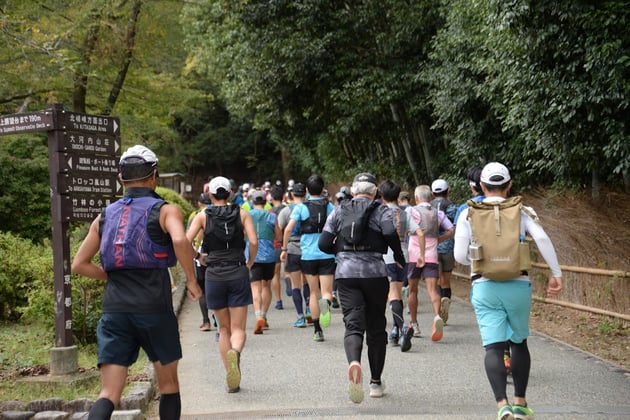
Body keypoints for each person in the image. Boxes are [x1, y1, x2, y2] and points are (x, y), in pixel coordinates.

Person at [71, 145, 203, 420]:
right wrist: (192, 280)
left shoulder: (105, 216)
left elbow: (79, 264)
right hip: (154, 307)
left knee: (108, 393)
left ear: (121, 178)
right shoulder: (166, 210)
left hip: (115, 310)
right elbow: (180, 240)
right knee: (168, 386)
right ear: (154, 175)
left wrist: (112, 275)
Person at [454, 162, 563, 420]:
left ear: (481, 186)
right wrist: (556, 273)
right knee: (518, 342)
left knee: (493, 348)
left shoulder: (468, 213)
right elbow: (543, 239)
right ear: (509, 184)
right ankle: (520, 403)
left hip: (484, 285)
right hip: (518, 283)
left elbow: (459, 255)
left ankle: (502, 405)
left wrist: (481, 262)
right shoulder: (522, 210)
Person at [319, 172, 405, 403]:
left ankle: (354, 362)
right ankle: (375, 383)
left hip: (346, 275)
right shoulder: (381, 210)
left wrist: (342, 252)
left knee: (353, 324)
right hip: (375, 275)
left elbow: (323, 243)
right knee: (377, 327)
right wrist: (397, 255)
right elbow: (389, 232)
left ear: (353, 190)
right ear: (375, 192)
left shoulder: (339, 210)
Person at [186, 176, 258, 393]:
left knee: (223, 329)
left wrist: (198, 256)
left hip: (214, 273)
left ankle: (231, 377)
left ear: (210, 195)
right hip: (237, 270)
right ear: (230, 194)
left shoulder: (202, 216)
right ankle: (235, 352)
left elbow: (183, 240)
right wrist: (249, 262)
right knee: (238, 329)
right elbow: (253, 241)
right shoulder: (242, 213)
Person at [281, 174, 335, 342]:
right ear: (323, 188)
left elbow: (288, 229)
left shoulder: (301, 208)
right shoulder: (329, 206)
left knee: (313, 292)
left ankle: (318, 330)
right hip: (326, 253)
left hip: (308, 255)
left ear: (306, 191)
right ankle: (327, 301)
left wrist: (284, 248)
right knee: (326, 291)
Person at [379, 180, 425, 352]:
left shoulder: (380, 212)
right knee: (397, 294)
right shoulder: (405, 213)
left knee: (393, 294)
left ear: (382, 196)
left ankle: (403, 327)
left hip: (387, 257)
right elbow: (419, 232)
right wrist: (421, 255)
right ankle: (395, 331)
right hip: (403, 256)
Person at [406, 185, 454, 341]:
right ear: (430, 198)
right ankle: (436, 317)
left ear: (416, 197)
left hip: (414, 256)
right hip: (432, 255)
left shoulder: (410, 211)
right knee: (433, 290)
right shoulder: (438, 213)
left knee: (413, 290)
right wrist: (438, 239)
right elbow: (451, 229)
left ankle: (415, 324)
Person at [277, 182, 311, 327]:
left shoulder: (285, 211)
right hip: (308, 248)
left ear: (292, 195)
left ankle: (300, 316)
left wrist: (283, 249)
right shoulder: (310, 209)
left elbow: (280, 228)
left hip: (292, 248)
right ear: (306, 193)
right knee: (308, 282)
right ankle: (310, 309)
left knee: (296, 284)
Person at [247, 189, 276, 334]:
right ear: (265, 202)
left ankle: (258, 315)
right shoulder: (271, 216)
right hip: (269, 255)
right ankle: (264, 316)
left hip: (253, 255)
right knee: (266, 286)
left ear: (252, 202)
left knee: (255, 287)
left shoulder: (247, 216)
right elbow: (278, 235)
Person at [430, 179, 459, 324]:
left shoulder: (427, 207)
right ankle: (445, 299)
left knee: (437, 280)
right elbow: (455, 227)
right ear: (448, 191)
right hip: (448, 247)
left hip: (432, 248)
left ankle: (439, 309)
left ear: (432, 193)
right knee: (446, 280)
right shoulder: (453, 208)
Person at [188, 193, 213, 332]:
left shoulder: (196, 215)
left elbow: (191, 236)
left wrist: (195, 251)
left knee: (202, 288)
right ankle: (219, 320)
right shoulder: (218, 212)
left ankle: (206, 321)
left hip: (200, 255)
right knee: (215, 287)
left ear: (199, 203)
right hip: (215, 254)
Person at [269, 185, 287, 310]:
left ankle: (279, 300)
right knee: (290, 270)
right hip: (287, 244)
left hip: (274, 245)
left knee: (275, 274)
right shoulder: (288, 210)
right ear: (283, 197)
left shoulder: (270, 213)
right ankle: (288, 279)